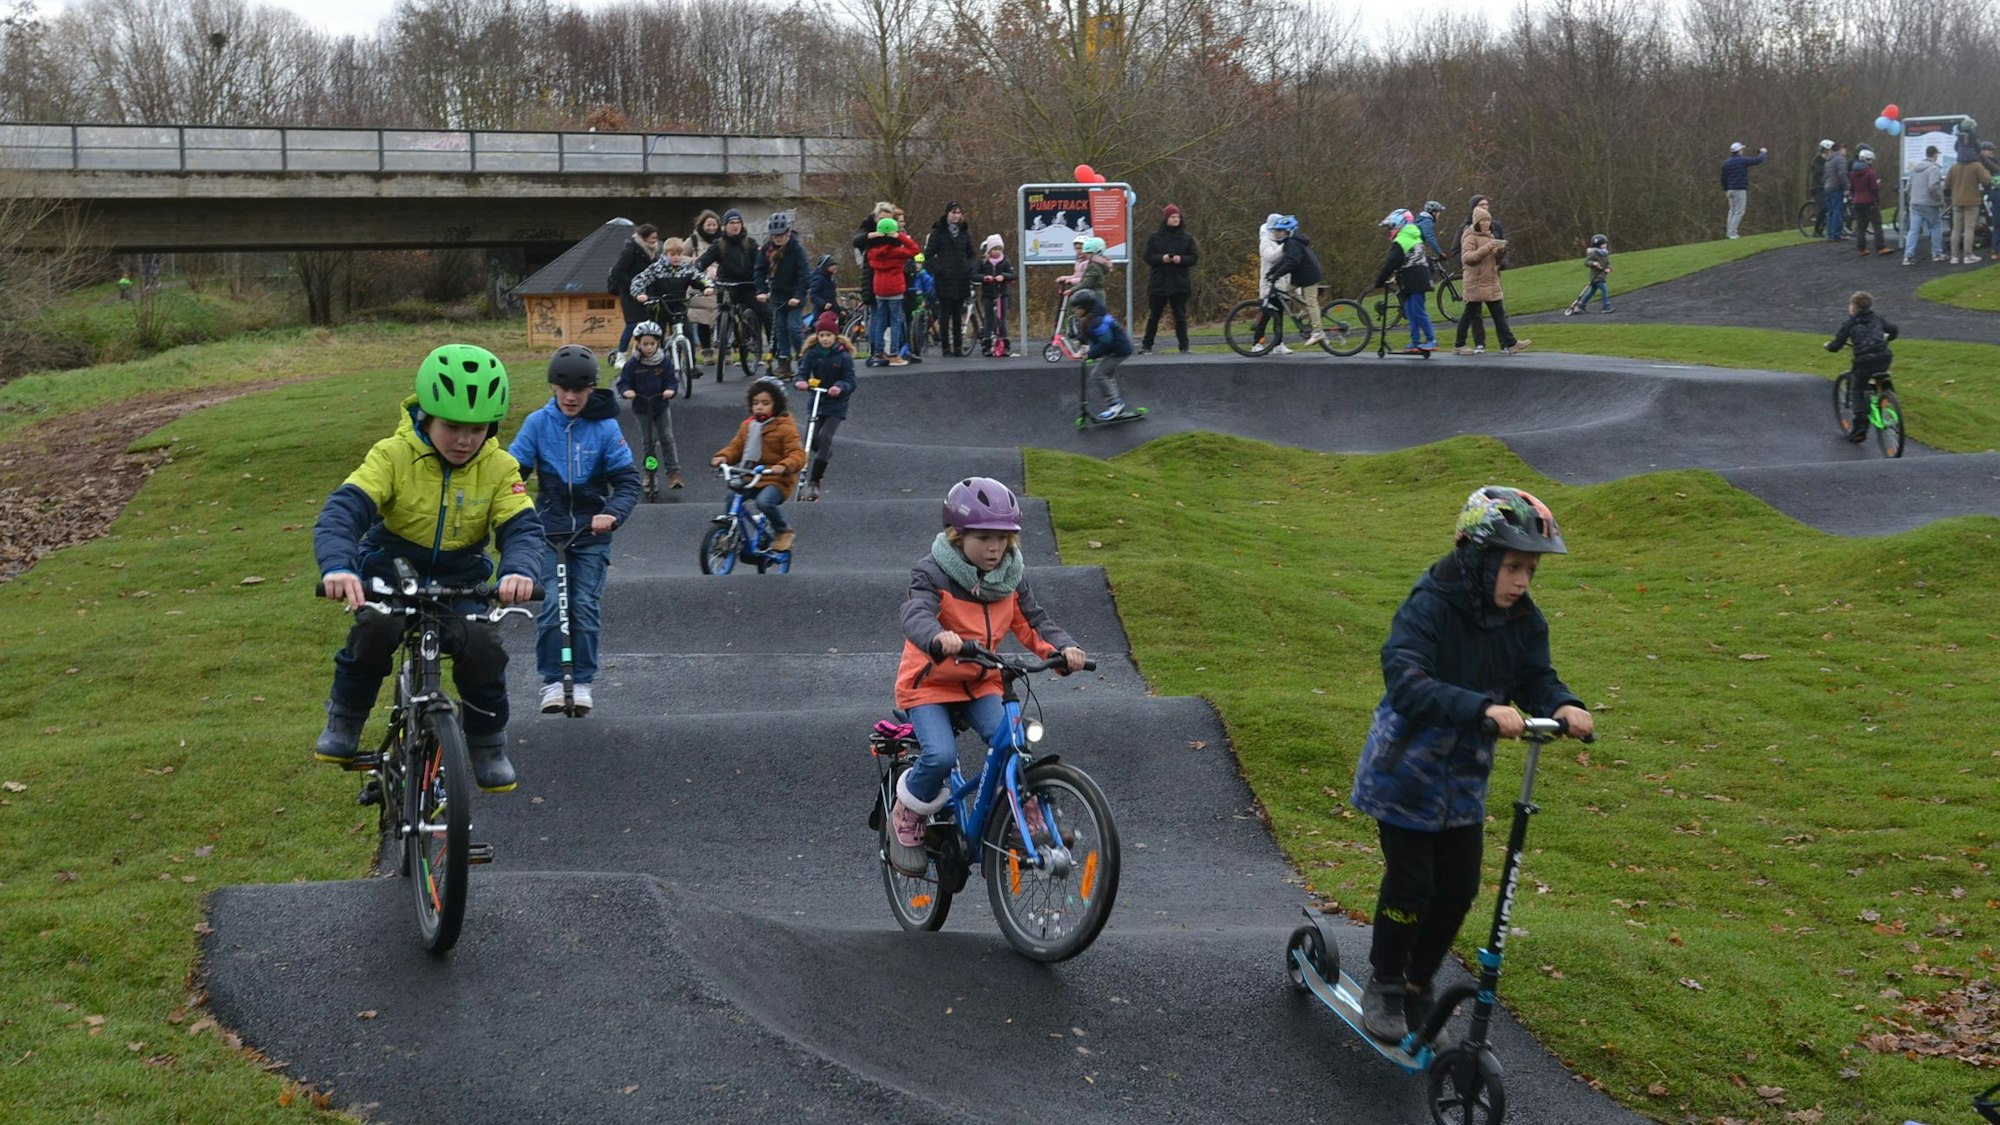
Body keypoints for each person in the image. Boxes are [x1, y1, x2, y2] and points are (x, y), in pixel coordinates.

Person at [1348, 485, 1592, 1043]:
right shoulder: (1430, 604)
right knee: (1412, 883)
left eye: (1530, 569)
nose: (1522, 581)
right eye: (1512, 567)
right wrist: (1481, 707)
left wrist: (1564, 704)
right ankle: (1385, 982)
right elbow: (1406, 681)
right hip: (1405, 770)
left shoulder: (1524, 620)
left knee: (1457, 887)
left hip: (1461, 779)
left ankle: (1418, 982)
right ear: (1478, 558)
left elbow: (1536, 677)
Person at [312, 345, 542, 793]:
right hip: (392, 565)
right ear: (426, 417)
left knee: (483, 647)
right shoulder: (392, 454)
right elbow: (343, 512)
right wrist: (339, 565)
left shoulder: (500, 467)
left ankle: (487, 744)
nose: (464, 440)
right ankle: (345, 719)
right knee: (377, 627)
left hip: (461, 576)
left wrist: (519, 570)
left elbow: (523, 528)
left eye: (476, 429)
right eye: (452, 427)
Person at [884, 476, 1087, 875]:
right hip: (930, 685)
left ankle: (1021, 816)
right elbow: (915, 614)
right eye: (984, 538)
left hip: (981, 681)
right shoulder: (933, 573)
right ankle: (906, 814)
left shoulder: (1010, 578)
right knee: (941, 756)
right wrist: (938, 637)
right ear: (957, 536)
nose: (995, 548)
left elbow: (1034, 623)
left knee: (1013, 743)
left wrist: (1062, 651)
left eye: (1003, 539)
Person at [510, 345, 641, 716]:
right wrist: (514, 511)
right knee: (553, 604)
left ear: (590, 390)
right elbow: (511, 476)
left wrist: (611, 514)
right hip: (547, 530)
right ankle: (553, 681)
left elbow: (628, 482)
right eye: (563, 389)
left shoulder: (605, 427)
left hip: (590, 532)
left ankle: (580, 681)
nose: (570, 397)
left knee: (582, 605)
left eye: (579, 390)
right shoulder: (537, 423)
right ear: (552, 387)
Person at [709, 378, 806, 552]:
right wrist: (723, 457)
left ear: (776, 405)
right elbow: (736, 447)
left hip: (776, 479)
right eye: (756, 403)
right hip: (752, 475)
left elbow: (798, 454)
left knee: (764, 502)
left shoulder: (786, 428)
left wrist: (783, 466)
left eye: (765, 403)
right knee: (732, 496)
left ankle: (783, 531)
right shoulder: (748, 427)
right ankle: (731, 532)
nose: (759, 407)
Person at [792, 311, 856, 502]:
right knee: (811, 442)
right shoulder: (812, 354)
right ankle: (824, 453)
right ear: (817, 337)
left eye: (828, 335)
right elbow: (801, 373)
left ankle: (814, 480)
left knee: (825, 436)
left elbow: (850, 381)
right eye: (822, 335)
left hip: (836, 405)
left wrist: (839, 387)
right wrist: (801, 382)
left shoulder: (843, 356)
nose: (825, 339)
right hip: (817, 403)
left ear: (835, 336)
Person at [614, 320, 684, 491]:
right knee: (649, 441)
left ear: (658, 343)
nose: (649, 347)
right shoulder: (632, 364)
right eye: (645, 344)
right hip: (642, 407)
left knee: (667, 437)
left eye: (652, 343)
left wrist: (670, 390)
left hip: (660, 406)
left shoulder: (664, 361)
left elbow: (671, 381)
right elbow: (623, 383)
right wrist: (627, 392)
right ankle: (650, 474)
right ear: (638, 344)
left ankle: (673, 473)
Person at [1452, 205, 1530, 355]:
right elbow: (1468, 258)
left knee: (1499, 314)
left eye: (1488, 220)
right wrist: (1488, 247)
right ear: (1477, 222)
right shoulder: (1469, 237)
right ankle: (1459, 344)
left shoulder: (1491, 237)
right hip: (1476, 282)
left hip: (1490, 282)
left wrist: (1501, 252)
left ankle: (1511, 343)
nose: (1487, 223)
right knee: (1469, 314)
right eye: (1483, 220)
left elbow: (1495, 261)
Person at [1824, 290, 1899, 442]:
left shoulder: (1850, 323)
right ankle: (1888, 395)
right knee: (1880, 373)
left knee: (1857, 388)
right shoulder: (1878, 318)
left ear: (1853, 307)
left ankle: (1860, 427)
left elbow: (1836, 344)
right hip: (1883, 357)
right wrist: (1886, 339)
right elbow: (1894, 330)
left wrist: (1828, 346)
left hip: (1864, 361)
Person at [697, 209, 762, 361]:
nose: (735, 226)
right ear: (725, 226)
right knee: (723, 311)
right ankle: (723, 344)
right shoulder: (719, 244)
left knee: (764, 312)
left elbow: (760, 265)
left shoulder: (750, 244)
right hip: (726, 285)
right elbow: (703, 261)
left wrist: (761, 282)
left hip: (747, 284)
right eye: (731, 223)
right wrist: (695, 274)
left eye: (738, 223)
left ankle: (765, 347)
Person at [1372, 209, 1437, 354]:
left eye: (1390, 227)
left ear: (1398, 225)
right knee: (1409, 311)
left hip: (1416, 280)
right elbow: (1427, 263)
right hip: (1411, 280)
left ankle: (1431, 339)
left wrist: (1379, 282)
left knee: (1418, 311)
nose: (1389, 231)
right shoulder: (1415, 238)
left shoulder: (1401, 240)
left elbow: (1390, 263)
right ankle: (1415, 342)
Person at [754, 211, 810, 378]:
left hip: (794, 295)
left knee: (793, 327)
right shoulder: (767, 249)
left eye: (781, 235)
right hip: (778, 296)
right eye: (775, 236)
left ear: (788, 232)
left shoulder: (796, 248)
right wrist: (761, 290)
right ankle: (783, 363)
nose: (778, 239)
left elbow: (805, 274)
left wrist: (799, 296)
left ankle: (803, 360)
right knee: (780, 329)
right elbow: (759, 270)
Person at [1140, 203, 1198, 354]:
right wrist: (1162, 258)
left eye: (1177, 217)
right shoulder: (1155, 237)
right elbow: (1148, 257)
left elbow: (1193, 258)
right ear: (1166, 218)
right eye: (1172, 217)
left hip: (1179, 282)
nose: (1175, 219)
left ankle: (1184, 347)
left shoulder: (1186, 238)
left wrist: (1181, 259)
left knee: (1180, 316)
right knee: (1154, 316)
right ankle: (1147, 346)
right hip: (1159, 282)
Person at [1069, 287, 1134, 421]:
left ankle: (1115, 405)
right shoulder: (1093, 315)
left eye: (1077, 308)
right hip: (1115, 348)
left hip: (1119, 350)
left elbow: (1105, 343)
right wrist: (1080, 340)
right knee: (1107, 375)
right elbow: (1089, 332)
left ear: (1086, 307)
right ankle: (1118, 406)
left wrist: (1089, 354)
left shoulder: (1097, 321)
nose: (1075, 311)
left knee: (1099, 374)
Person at [864, 217, 920, 367]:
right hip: (894, 289)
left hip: (879, 289)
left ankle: (878, 352)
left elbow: (864, 244)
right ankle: (894, 354)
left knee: (880, 320)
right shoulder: (897, 252)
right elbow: (915, 250)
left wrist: (874, 236)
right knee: (895, 321)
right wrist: (900, 236)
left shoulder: (872, 252)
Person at [1264, 215, 1325, 348]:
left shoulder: (1292, 243)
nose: (1276, 234)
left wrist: (1276, 275)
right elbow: (1285, 260)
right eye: (1276, 231)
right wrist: (1272, 271)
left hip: (1309, 276)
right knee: (1288, 291)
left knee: (1311, 301)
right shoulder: (1290, 243)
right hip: (1301, 276)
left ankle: (1318, 331)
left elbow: (1292, 263)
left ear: (1288, 231)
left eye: (1279, 231)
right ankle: (1306, 311)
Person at [925, 201, 976, 357]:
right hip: (944, 279)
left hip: (961, 278)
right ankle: (946, 347)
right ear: (947, 214)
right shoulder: (938, 233)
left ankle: (958, 347)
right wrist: (938, 270)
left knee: (958, 314)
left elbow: (971, 255)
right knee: (945, 314)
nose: (955, 216)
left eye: (958, 212)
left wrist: (969, 268)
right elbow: (928, 256)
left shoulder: (964, 233)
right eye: (953, 212)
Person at [608, 222, 660, 366]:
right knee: (631, 324)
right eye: (652, 237)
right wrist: (634, 285)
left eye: (656, 237)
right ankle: (621, 356)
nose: (655, 240)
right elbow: (619, 271)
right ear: (644, 237)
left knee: (648, 324)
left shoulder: (652, 251)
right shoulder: (631, 250)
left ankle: (643, 354)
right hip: (628, 292)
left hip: (646, 292)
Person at [687, 210, 724, 363]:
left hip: (721, 282)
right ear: (702, 225)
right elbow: (679, 255)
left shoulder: (724, 240)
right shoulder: (693, 240)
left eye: (714, 224)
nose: (711, 228)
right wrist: (694, 261)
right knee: (702, 319)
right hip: (702, 283)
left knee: (724, 317)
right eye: (708, 225)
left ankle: (725, 351)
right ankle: (707, 352)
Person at [1903, 145, 1948, 266]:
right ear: (1935, 155)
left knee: (1913, 230)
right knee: (1935, 227)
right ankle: (1937, 253)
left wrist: (1912, 197)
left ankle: (1908, 256)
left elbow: (1907, 188)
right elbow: (1933, 186)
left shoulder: (1915, 169)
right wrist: (1939, 200)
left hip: (1915, 203)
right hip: (1929, 204)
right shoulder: (1934, 169)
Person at [1947, 149, 1993, 265]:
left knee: (1956, 229)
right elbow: (1987, 180)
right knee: (1969, 228)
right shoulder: (1976, 166)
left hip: (1956, 201)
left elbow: (1947, 184)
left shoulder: (1954, 167)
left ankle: (1954, 256)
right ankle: (1968, 255)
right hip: (1972, 201)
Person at [976, 234, 1016, 356]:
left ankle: (1004, 344)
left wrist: (1003, 276)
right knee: (988, 319)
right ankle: (987, 345)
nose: (997, 252)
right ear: (989, 250)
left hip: (1001, 294)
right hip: (988, 295)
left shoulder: (1005, 262)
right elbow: (974, 275)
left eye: (999, 249)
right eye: (994, 249)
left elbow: (1013, 275)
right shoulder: (983, 263)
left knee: (1001, 319)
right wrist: (984, 278)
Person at [1720, 141, 1768, 240]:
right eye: (1741, 149)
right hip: (1739, 189)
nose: (1742, 151)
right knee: (1739, 211)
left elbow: (1723, 178)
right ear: (1738, 151)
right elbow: (1757, 160)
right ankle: (1733, 233)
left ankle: (1729, 233)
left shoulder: (1726, 163)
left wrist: (1725, 189)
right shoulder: (1742, 160)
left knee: (1732, 211)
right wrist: (1763, 153)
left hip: (1730, 190)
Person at [1849, 148, 1889, 256]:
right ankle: (1881, 247)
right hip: (1869, 201)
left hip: (1857, 202)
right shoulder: (1870, 172)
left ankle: (1862, 248)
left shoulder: (1853, 172)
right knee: (1877, 224)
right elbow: (1874, 188)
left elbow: (1852, 188)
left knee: (1861, 226)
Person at [1564, 234, 1613, 316]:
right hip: (1596, 277)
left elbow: (1607, 264)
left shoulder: (1604, 254)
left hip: (1601, 276)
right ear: (1599, 244)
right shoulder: (1594, 253)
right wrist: (1594, 263)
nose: (1606, 245)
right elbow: (1586, 262)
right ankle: (1606, 307)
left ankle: (1581, 306)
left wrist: (1609, 268)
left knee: (1591, 292)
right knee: (1604, 290)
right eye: (1604, 243)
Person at [1822, 143, 1850, 244]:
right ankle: (1836, 234)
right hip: (1836, 187)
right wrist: (1847, 186)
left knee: (1831, 212)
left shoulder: (1828, 160)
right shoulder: (1840, 159)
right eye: (1844, 149)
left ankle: (1830, 234)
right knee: (1838, 211)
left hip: (1828, 187)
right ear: (1840, 149)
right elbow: (1842, 174)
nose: (1845, 151)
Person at [1808, 140, 1833, 238]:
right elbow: (1819, 172)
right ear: (1824, 150)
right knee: (1823, 207)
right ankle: (1816, 230)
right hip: (1818, 187)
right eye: (1829, 150)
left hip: (1829, 186)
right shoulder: (1817, 160)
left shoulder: (1831, 160)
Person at [808, 253, 840, 318]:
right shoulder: (819, 278)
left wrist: (839, 310)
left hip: (831, 311)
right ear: (826, 266)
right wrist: (823, 304)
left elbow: (832, 299)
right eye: (832, 265)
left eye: (835, 264)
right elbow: (814, 295)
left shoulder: (830, 280)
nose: (835, 266)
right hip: (821, 313)